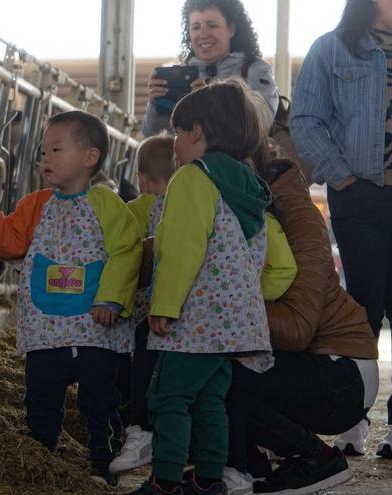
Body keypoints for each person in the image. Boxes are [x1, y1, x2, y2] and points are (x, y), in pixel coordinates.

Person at [290, 0, 392, 458]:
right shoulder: (331, 50)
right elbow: (305, 119)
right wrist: (341, 177)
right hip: (360, 195)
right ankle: (351, 416)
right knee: (360, 307)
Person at [0, 110, 142, 487]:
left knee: (99, 400)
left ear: (90, 157)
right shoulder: (36, 204)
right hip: (45, 328)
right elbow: (10, 239)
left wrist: (110, 300)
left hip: (96, 327)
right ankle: (40, 454)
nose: (47, 158)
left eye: (57, 150)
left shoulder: (108, 204)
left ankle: (102, 463)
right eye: (44, 152)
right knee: (41, 395)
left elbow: (127, 252)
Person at [132, 80, 273, 495]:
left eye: (177, 133)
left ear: (196, 132)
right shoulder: (245, 182)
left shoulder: (193, 178)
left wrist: (164, 304)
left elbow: (180, 248)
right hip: (235, 320)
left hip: (195, 318)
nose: (174, 143)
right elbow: (259, 254)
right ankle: (210, 479)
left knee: (169, 396)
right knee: (211, 400)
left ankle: (166, 480)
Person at [226, 157, 380, 495]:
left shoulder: (296, 218)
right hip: (330, 365)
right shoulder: (267, 209)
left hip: (344, 373)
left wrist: (222, 310)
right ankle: (249, 463)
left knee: (224, 380)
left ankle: (317, 457)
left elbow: (297, 327)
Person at [110, 133, 175, 474]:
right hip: (186, 309)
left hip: (145, 312)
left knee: (138, 365)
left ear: (143, 179)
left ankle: (137, 426)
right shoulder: (196, 202)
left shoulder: (136, 209)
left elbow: (117, 246)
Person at [143, 0, 279, 137]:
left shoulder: (255, 71)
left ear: (231, 29)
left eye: (212, 25)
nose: (203, 34)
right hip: (191, 159)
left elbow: (261, 123)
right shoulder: (182, 79)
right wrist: (156, 106)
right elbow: (157, 138)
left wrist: (208, 104)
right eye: (196, 27)